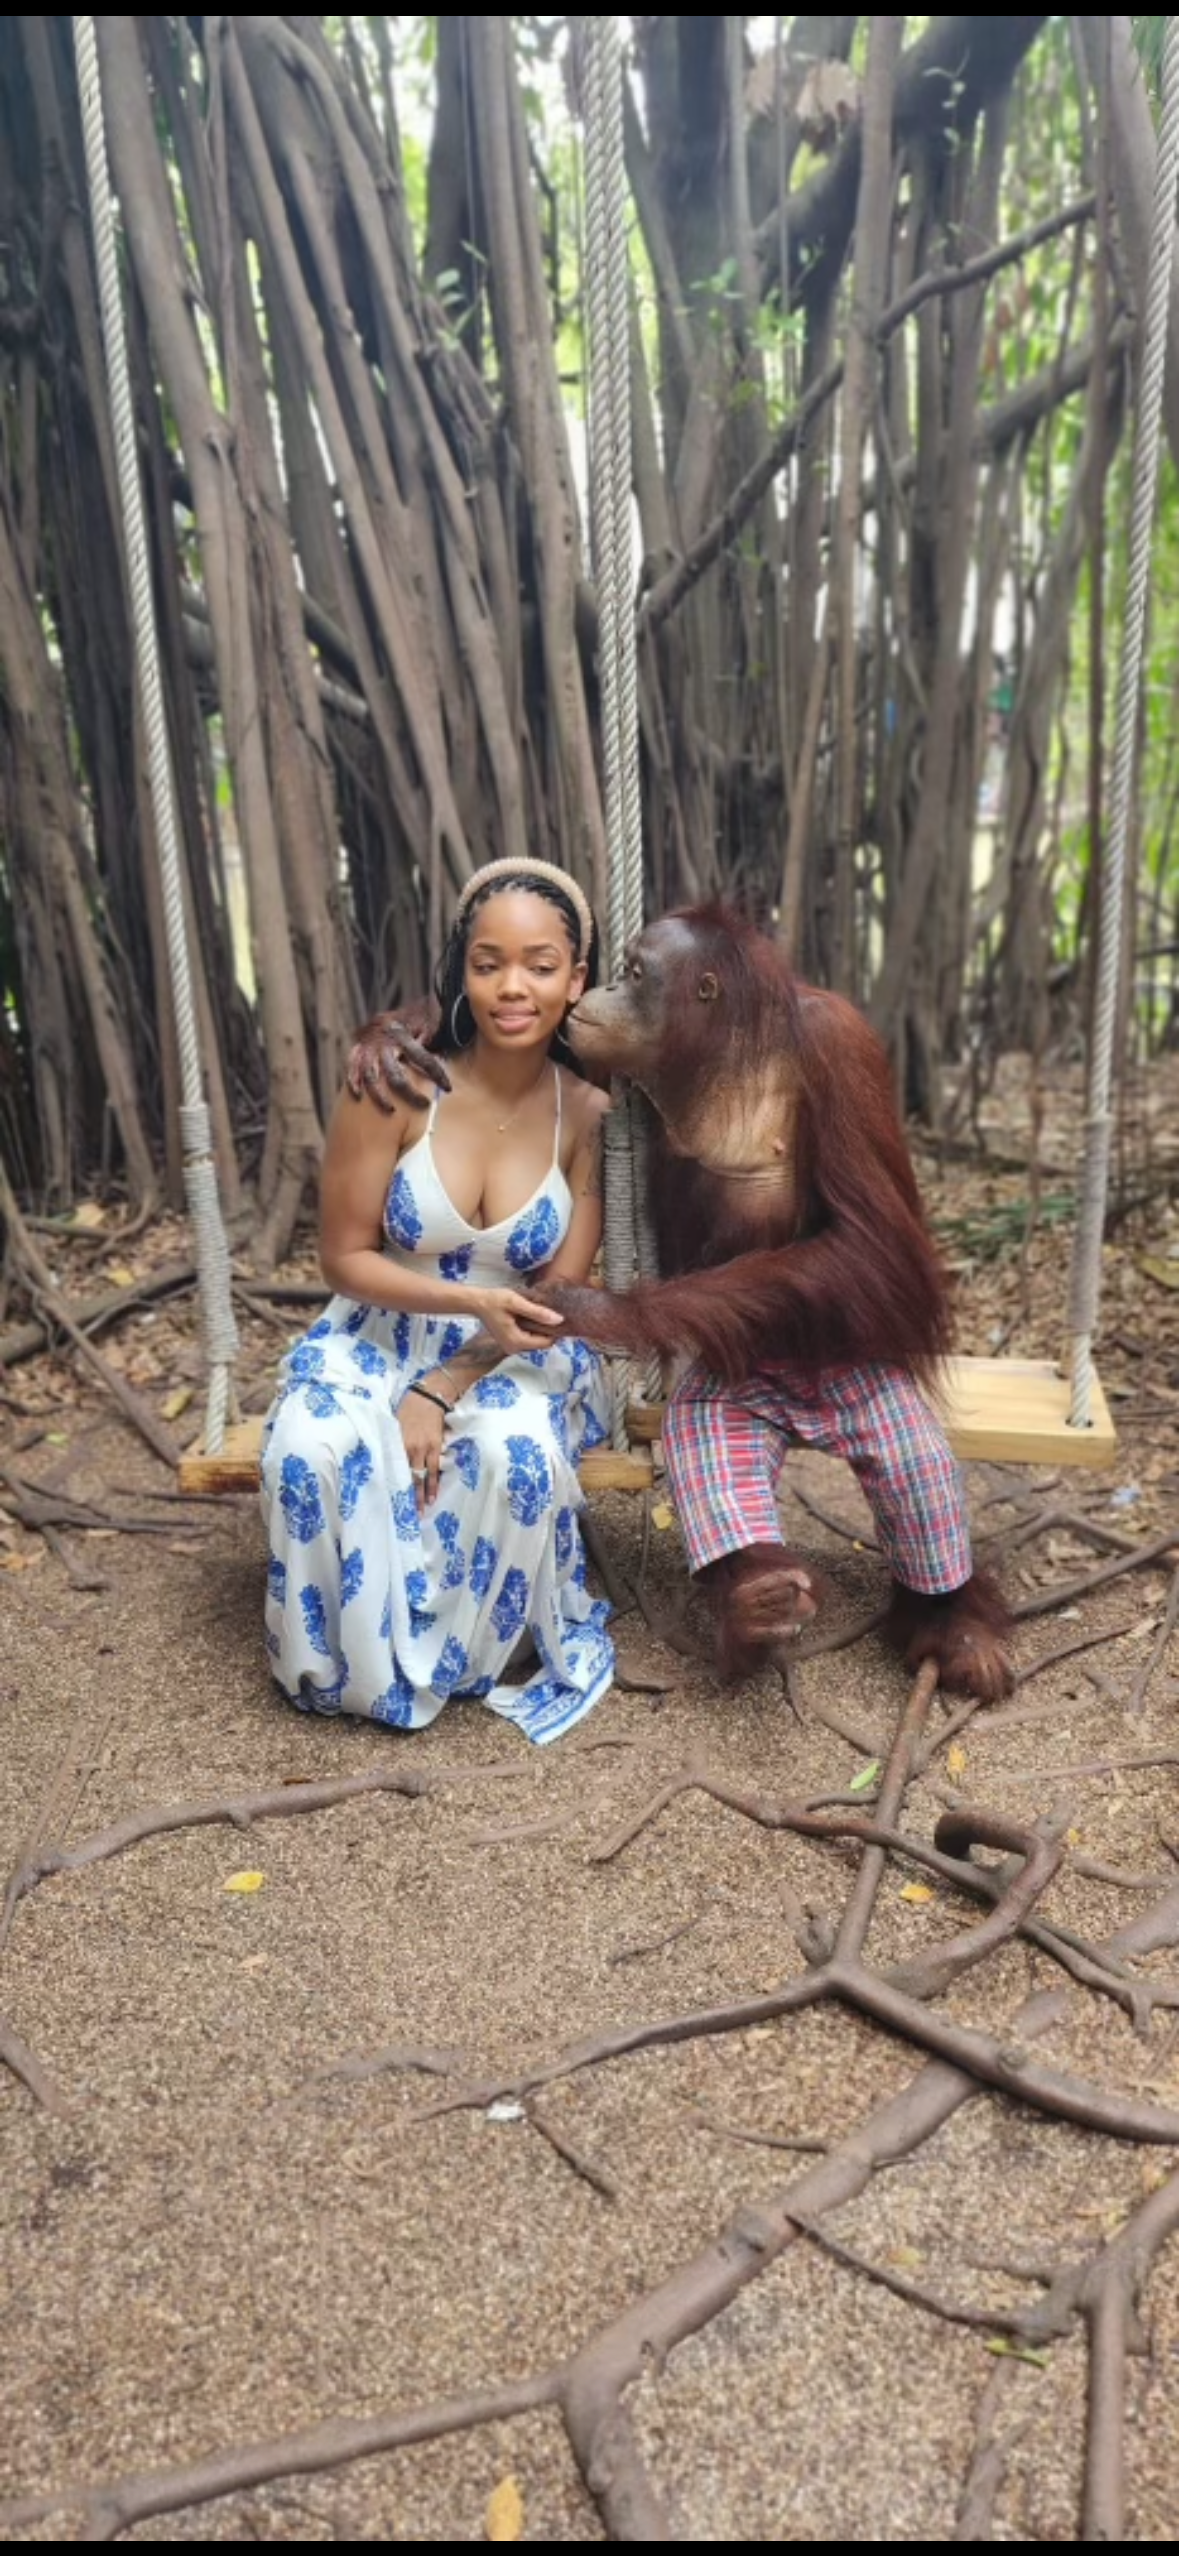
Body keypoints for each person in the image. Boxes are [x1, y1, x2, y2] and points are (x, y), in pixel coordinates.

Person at [259, 858, 614, 1743]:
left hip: (518, 1345)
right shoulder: (393, 1086)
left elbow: (559, 1293)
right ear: (462, 972)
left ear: (575, 980)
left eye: (539, 966)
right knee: (310, 1449)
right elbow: (343, 1258)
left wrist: (444, 1385)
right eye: (488, 964)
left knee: (511, 1454)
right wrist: (453, 1317)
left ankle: (456, 1659)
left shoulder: (589, 1115)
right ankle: (344, 1662)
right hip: (380, 1327)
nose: (512, 987)